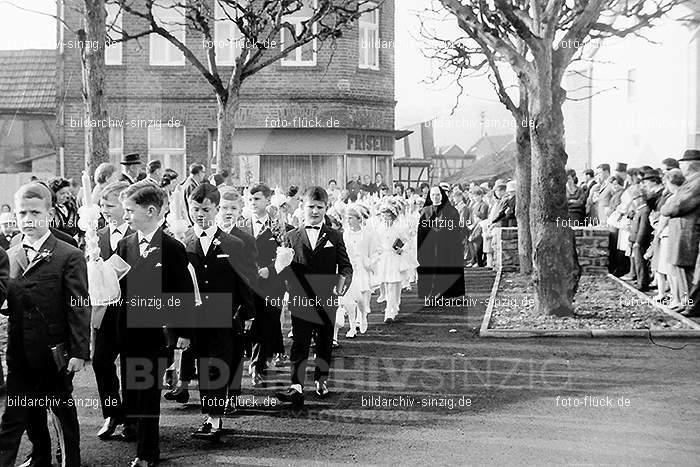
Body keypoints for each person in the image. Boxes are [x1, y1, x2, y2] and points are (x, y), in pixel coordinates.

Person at [0, 182, 90, 467]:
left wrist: (79, 351)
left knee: (61, 411)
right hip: (19, 352)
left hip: (54, 353)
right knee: (20, 413)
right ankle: (39, 456)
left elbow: (78, 304)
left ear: (50, 214)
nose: (28, 219)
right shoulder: (12, 251)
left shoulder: (68, 254)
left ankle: (70, 461)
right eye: (22, 212)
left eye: (35, 212)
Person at [116, 184, 194, 466]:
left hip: (156, 333)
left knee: (148, 393)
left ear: (150, 211)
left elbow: (183, 292)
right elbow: (118, 289)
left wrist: (183, 332)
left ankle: (148, 453)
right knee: (133, 390)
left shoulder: (172, 248)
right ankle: (135, 432)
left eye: (129, 210)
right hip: (128, 330)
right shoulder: (125, 244)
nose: (125, 216)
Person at [183, 184, 253, 441]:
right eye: (195, 208)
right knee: (203, 364)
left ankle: (214, 417)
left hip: (225, 314)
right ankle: (210, 414)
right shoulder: (183, 243)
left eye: (206, 209)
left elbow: (244, 279)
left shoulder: (232, 243)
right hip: (195, 316)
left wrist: (246, 313)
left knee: (218, 364)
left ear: (216, 208)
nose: (200, 214)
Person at [276, 186, 352, 406]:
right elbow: (285, 269)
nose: (315, 211)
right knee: (299, 342)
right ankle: (296, 386)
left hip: (327, 297)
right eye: (311, 207)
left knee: (324, 341)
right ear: (303, 207)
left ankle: (321, 380)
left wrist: (340, 286)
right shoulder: (291, 236)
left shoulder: (335, 236)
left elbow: (346, 267)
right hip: (300, 297)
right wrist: (282, 270)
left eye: (320, 207)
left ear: (326, 208)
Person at [93, 181, 135, 441]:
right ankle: (112, 412)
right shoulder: (95, 236)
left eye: (109, 205)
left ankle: (132, 418)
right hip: (106, 311)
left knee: (131, 364)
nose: (104, 209)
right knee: (100, 361)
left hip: (131, 310)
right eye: (101, 205)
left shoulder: (137, 233)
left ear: (124, 206)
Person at [243, 184, 290, 387]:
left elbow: (285, 253)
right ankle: (256, 361)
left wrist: (270, 269)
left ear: (268, 200)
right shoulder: (242, 225)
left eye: (258, 199)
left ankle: (257, 367)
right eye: (251, 199)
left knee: (267, 322)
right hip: (248, 283)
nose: (253, 203)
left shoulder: (277, 225)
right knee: (251, 323)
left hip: (272, 283)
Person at [661, 150, 700, 317]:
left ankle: (691, 305)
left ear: (690, 164)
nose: (680, 166)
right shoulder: (691, 182)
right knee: (682, 270)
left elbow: (676, 206)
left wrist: (665, 208)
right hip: (683, 232)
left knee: (688, 271)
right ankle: (687, 303)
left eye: (682, 163)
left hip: (688, 232)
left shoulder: (697, 183)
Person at [417, 186, 465, 299]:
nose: (435, 197)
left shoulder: (452, 211)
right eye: (433, 195)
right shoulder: (426, 210)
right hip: (430, 246)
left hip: (446, 246)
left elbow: (456, 230)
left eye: (438, 195)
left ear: (442, 195)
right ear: (429, 196)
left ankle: (446, 291)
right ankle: (430, 292)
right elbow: (421, 230)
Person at [372, 202, 408, 323]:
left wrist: (402, 249)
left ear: (392, 216)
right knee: (387, 284)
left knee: (393, 284)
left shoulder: (398, 228)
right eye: (383, 215)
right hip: (383, 259)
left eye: (387, 215)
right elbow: (375, 244)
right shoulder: (379, 228)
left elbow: (408, 242)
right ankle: (393, 305)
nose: (385, 217)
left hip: (395, 258)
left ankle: (389, 312)